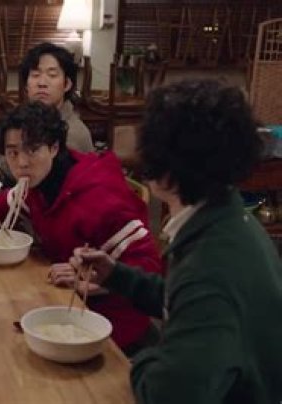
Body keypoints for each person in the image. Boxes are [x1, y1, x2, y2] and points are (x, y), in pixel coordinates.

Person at [70, 80, 282, 403]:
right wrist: (117, 276)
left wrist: (144, 357)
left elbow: (167, 393)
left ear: (164, 165)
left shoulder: (212, 266)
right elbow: (185, 300)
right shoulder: (228, 220)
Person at [0, 102, 162, 355]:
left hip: (113, 330)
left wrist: (95, 278)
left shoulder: (99, 196)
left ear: (54, 148)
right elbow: (5, 204)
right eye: (13, 153)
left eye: (32, 150)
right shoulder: (40, 182)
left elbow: (150, 268)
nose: (22, 163)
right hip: (63, 303)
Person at [0, 42, 94, 211]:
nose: (42, 83)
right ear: (26, 86)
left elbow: (39, 199)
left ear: (67, 84)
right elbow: (5, 170)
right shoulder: (30, 120)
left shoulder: (71, 133)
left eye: (52, 75)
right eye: (35, 75)